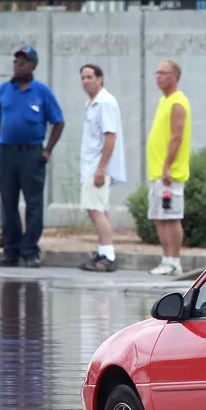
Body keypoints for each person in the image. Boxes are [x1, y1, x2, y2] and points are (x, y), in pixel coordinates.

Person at [0, 46, 65, 268]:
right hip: (6, 154)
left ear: (32, 66)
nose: (17, 66)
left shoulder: (41, 92)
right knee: (8, 204)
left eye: (22, 63)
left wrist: (47, 150)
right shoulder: (4, 89)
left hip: (31, 155)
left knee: (33, 205)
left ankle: (30, 251)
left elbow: (58, 121)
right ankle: (10, 252)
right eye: (15, 62)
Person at [77, 63, 126, 273]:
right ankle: (104, 251)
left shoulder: (105, 103)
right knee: (99, 211)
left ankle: (108, 256)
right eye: (83, 77)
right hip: (91, 165)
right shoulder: (92, 103)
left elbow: (110, 136)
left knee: (96, 211)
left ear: (100, 79)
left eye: (90, 77)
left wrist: (101, 168)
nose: (86, 81)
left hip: (97, 167)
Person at [145, 59, 192, 276]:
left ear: (175, 76)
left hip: (169, 174)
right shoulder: (165, 101)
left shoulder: (177, 103)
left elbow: (177, 137)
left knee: (171, 217)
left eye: (163, 73)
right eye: (157, 72)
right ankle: (166, 259)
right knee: (159, 217)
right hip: (158, 173)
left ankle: (174, 261)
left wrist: (167, 166)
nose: (158, 76)